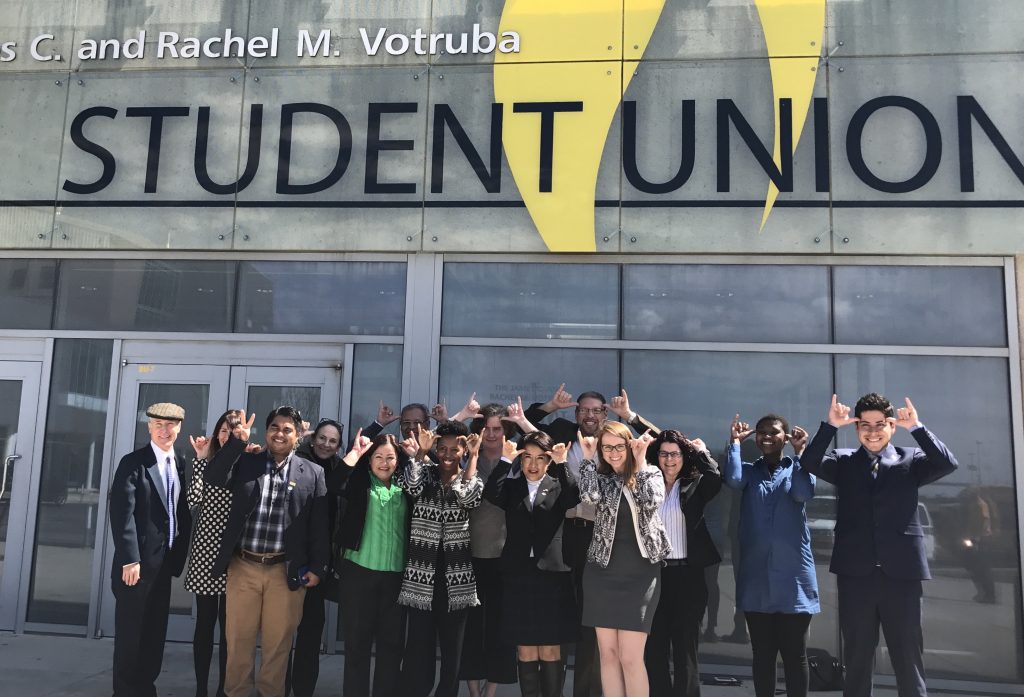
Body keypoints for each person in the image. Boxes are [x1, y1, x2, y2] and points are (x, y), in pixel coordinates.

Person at [800, 394, 958, 697]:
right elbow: (809, 461)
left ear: (892, 426)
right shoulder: (844, 460)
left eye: (880, 424)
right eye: (865, 425)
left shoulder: (911, 460)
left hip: (902, 575)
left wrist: (917, 428)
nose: (873, 432)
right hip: (856, 576)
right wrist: (830, 426)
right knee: (857, 656)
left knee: (908, 655)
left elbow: (947, 463)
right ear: (856, 427)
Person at [525, 385, 660, 697]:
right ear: (576, 414)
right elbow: (526, 429)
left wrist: (630, 416)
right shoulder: (562, 434)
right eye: (584, 409)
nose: (590, 415)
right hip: (565, 536)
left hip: (604, 539)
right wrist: (549, 406)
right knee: (564, 619)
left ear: (605, 415)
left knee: (599, 635)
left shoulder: (624, 454)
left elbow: (659, 440)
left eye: (597, 410)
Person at [204, 406, 329, 697]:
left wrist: (318, 567)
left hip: (284, 572)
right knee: (238, 644)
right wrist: (236, 442)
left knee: (278, 646)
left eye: (287, 429)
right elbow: (213, 476)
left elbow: (319, 526)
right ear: (267, 431)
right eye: (274, 427)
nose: (279, 434)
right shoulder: (247, 462)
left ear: (298, 436)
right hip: (243, 567)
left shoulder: (313, 473)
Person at [724, 414, 818, 697]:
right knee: (762, 654)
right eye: (761, 432)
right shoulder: (750, 472)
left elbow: (801, 493)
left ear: (786, 437)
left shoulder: (798, 467)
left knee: (794, 654)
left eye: (773, 432)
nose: (766, 436)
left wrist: (801, 454)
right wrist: (735, 443)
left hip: (793, 577)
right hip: (757, 577)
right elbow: (733, 479)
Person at [484, 431, 580, 697]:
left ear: (548, 461)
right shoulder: (512, 487)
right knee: (525, 649)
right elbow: (491, 494)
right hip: (518, 576)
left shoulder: (558, 484)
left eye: (540, 458)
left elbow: (574, 498)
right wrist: (505, 459)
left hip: (552, 577)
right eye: (527, 457)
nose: (533, 464)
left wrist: (562, 463)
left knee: (550, 648)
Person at [579, 421, 670, 697]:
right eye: (607, 448)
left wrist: (640, 461)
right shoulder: (602, 478)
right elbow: (588, 497)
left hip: (640, 575)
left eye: (619, 446)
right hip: (601, 573)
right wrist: (587, 458)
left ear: (629, 446)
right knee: (608, 655)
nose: (613, 453)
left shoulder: (651, 472)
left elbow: (651, 500)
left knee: (630, 657)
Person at [109, 402, 193, 697]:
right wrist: (130, 559)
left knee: (155, 634)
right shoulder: (133, 463)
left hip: (164, 565)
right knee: (131, 637)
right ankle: (125, 692)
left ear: (179, 428)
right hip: (136, 567)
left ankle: (146, 689)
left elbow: (181, 512)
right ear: (149, 427)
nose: (164, 430)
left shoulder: (180, 464)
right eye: (158, 424)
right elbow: (122, 515)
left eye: (170, 425)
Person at [398, 420, 485, 697]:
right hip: (421, 577)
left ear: (463, 451)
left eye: (454, 450)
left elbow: (468, 498)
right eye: (443, 449)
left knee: (452, 651)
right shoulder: (425, 473)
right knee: (418, 648)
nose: (448, 455)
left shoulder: (471, 477)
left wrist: (474, 456)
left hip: (456, 581)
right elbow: (410, 486)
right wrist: (421, 452)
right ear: (436, 449)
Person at [460, 402, 534, 697]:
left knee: (500, 628)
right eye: (486, 429)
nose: (491, 434)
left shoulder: (518, 460)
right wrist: (462, 416)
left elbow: (551, 449)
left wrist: (525, 422)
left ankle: (490, 691)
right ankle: (473, 691)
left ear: (507, 431)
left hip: (504, 556)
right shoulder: (467, 457)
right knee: (470, 628)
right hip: (468, 553)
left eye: (497, 429)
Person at [186, 409, 260, 697]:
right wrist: (200, 458)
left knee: (231, 628)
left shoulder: (248, 460)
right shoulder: (208, 462)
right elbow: (193, 499)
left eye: (234, 431)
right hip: (206, 551)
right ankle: (201, 689)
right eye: (224, 431)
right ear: (217, 434)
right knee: (205, 624)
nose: (229, 436)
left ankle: (223, 689)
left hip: (235, 552)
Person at [333, 431, 413, 697]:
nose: (384, 463)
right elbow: (333, 483)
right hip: (358, 574)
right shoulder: (360, 481)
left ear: (398, 461)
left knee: (391, 646)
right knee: (357, 645)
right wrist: (355, 453)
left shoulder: (408, 487)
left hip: (395, 577)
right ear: (369, 460)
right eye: (378, 457)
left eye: (390, 457)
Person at [644, 429, 722, 697]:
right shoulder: (647, 484)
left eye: (675, 454)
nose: (669, 459)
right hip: (654, 576)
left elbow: (715, 477)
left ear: (683, 457)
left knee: (685, 649)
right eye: (664, 454)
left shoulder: (695, 485)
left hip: (688, 576)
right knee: (654, 649)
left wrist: (700, 451)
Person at [287, 418, 347, 697]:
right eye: (322, 438)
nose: (326, 444)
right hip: (291, 559)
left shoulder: (339, 468)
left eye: (333, 441)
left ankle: (303, 690)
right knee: (282, 633)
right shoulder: (296, 461)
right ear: (312, 438)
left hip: (320, 561)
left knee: (311, 631)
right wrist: (299, 437)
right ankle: (278, 688)